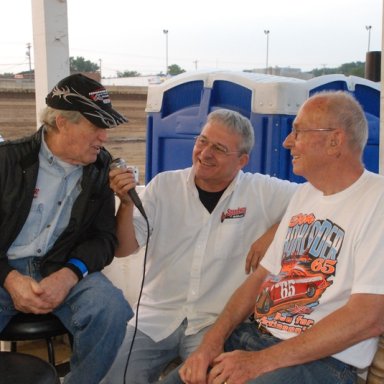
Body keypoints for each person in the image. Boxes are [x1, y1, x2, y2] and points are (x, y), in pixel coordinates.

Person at [166, 91, 384, 384]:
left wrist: (257, 363)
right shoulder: (304, 194)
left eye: (298, 132)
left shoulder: (377, 201)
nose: (287, 142)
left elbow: (368, 317)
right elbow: (259, 279)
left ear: (335, 141)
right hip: (256, 337)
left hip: (323, 361)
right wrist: (210, 343)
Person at [101, 108, 298, 384]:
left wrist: (274, 233)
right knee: (113, 374)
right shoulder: (164, 185)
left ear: (242, 160)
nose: (205, 153)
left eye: (219, 148)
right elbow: (123, 249)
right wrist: (126, 203)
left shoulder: (261, 191)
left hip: (215, 325)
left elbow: (318, 197)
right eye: (202, 141)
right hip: (156, 316)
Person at [0, 73, 133, 384]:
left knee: (111, 310)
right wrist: (8, 277)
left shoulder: (100, 170)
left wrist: (71, 273)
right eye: (96, 126)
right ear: (62, 122)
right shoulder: (7, 162)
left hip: (60, 267)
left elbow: (104, 239)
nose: (104, 137)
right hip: (4, 266)